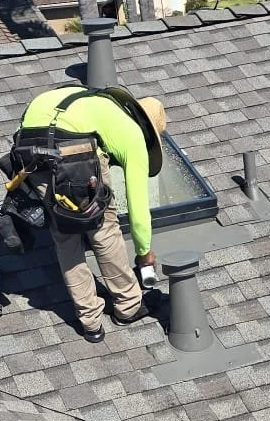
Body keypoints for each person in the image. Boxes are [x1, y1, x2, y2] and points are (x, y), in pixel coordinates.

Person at [11, 84, 166, 344]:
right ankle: (128, 306)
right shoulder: (133, 135)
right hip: (75, 149)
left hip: (28, 149)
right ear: (149, 131)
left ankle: (90, 322)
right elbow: (138, 207)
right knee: (103, 228)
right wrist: (144, 253)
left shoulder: (94, 102)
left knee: (64, 231)